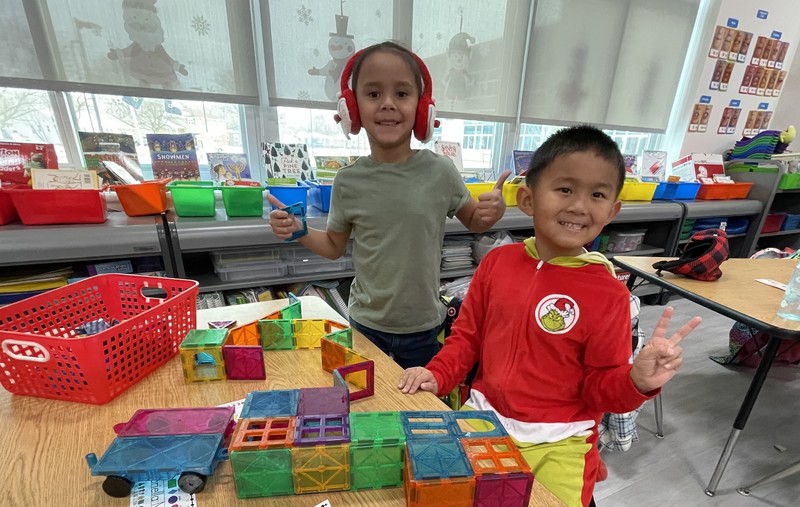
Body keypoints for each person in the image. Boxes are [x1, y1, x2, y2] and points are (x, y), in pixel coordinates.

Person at [398, 125, 703, 507]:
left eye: (597, 194)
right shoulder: (497, 263)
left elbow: (601, 387)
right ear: (527, 199)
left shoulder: (608, 293)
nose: (579, 206)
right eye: (564, 189)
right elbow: (467, 338)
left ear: (612, 210)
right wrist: (438, 373)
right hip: (483, 418)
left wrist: (637, 382)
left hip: (562, 441)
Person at [268, 41, 510, 369]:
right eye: (372, 94)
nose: (387, 104)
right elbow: (334, 246)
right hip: (366, 324)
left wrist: (491, 211)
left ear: (422, 108)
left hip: (423, 326)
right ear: (352, 108)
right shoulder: (348, 181)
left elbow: (475, 221)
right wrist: (300, 230)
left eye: (402, 93)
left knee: (423, 411)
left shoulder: (440, 171)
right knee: (369, 407)